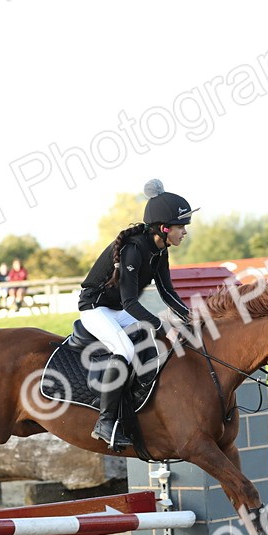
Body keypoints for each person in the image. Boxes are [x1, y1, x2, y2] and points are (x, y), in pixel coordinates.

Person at [77, 178, 196, 449]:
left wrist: (190, 319)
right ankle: (105, 423)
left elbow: (167, 293)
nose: (184, 232)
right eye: (181, 227)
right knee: (127, 351)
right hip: (95, 309)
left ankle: (136, 409)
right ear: (164, 228)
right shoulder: (134, 250)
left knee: (150, 345)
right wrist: (164, 326)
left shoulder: (160, 251)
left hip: (118, 309)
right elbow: (131, 302)